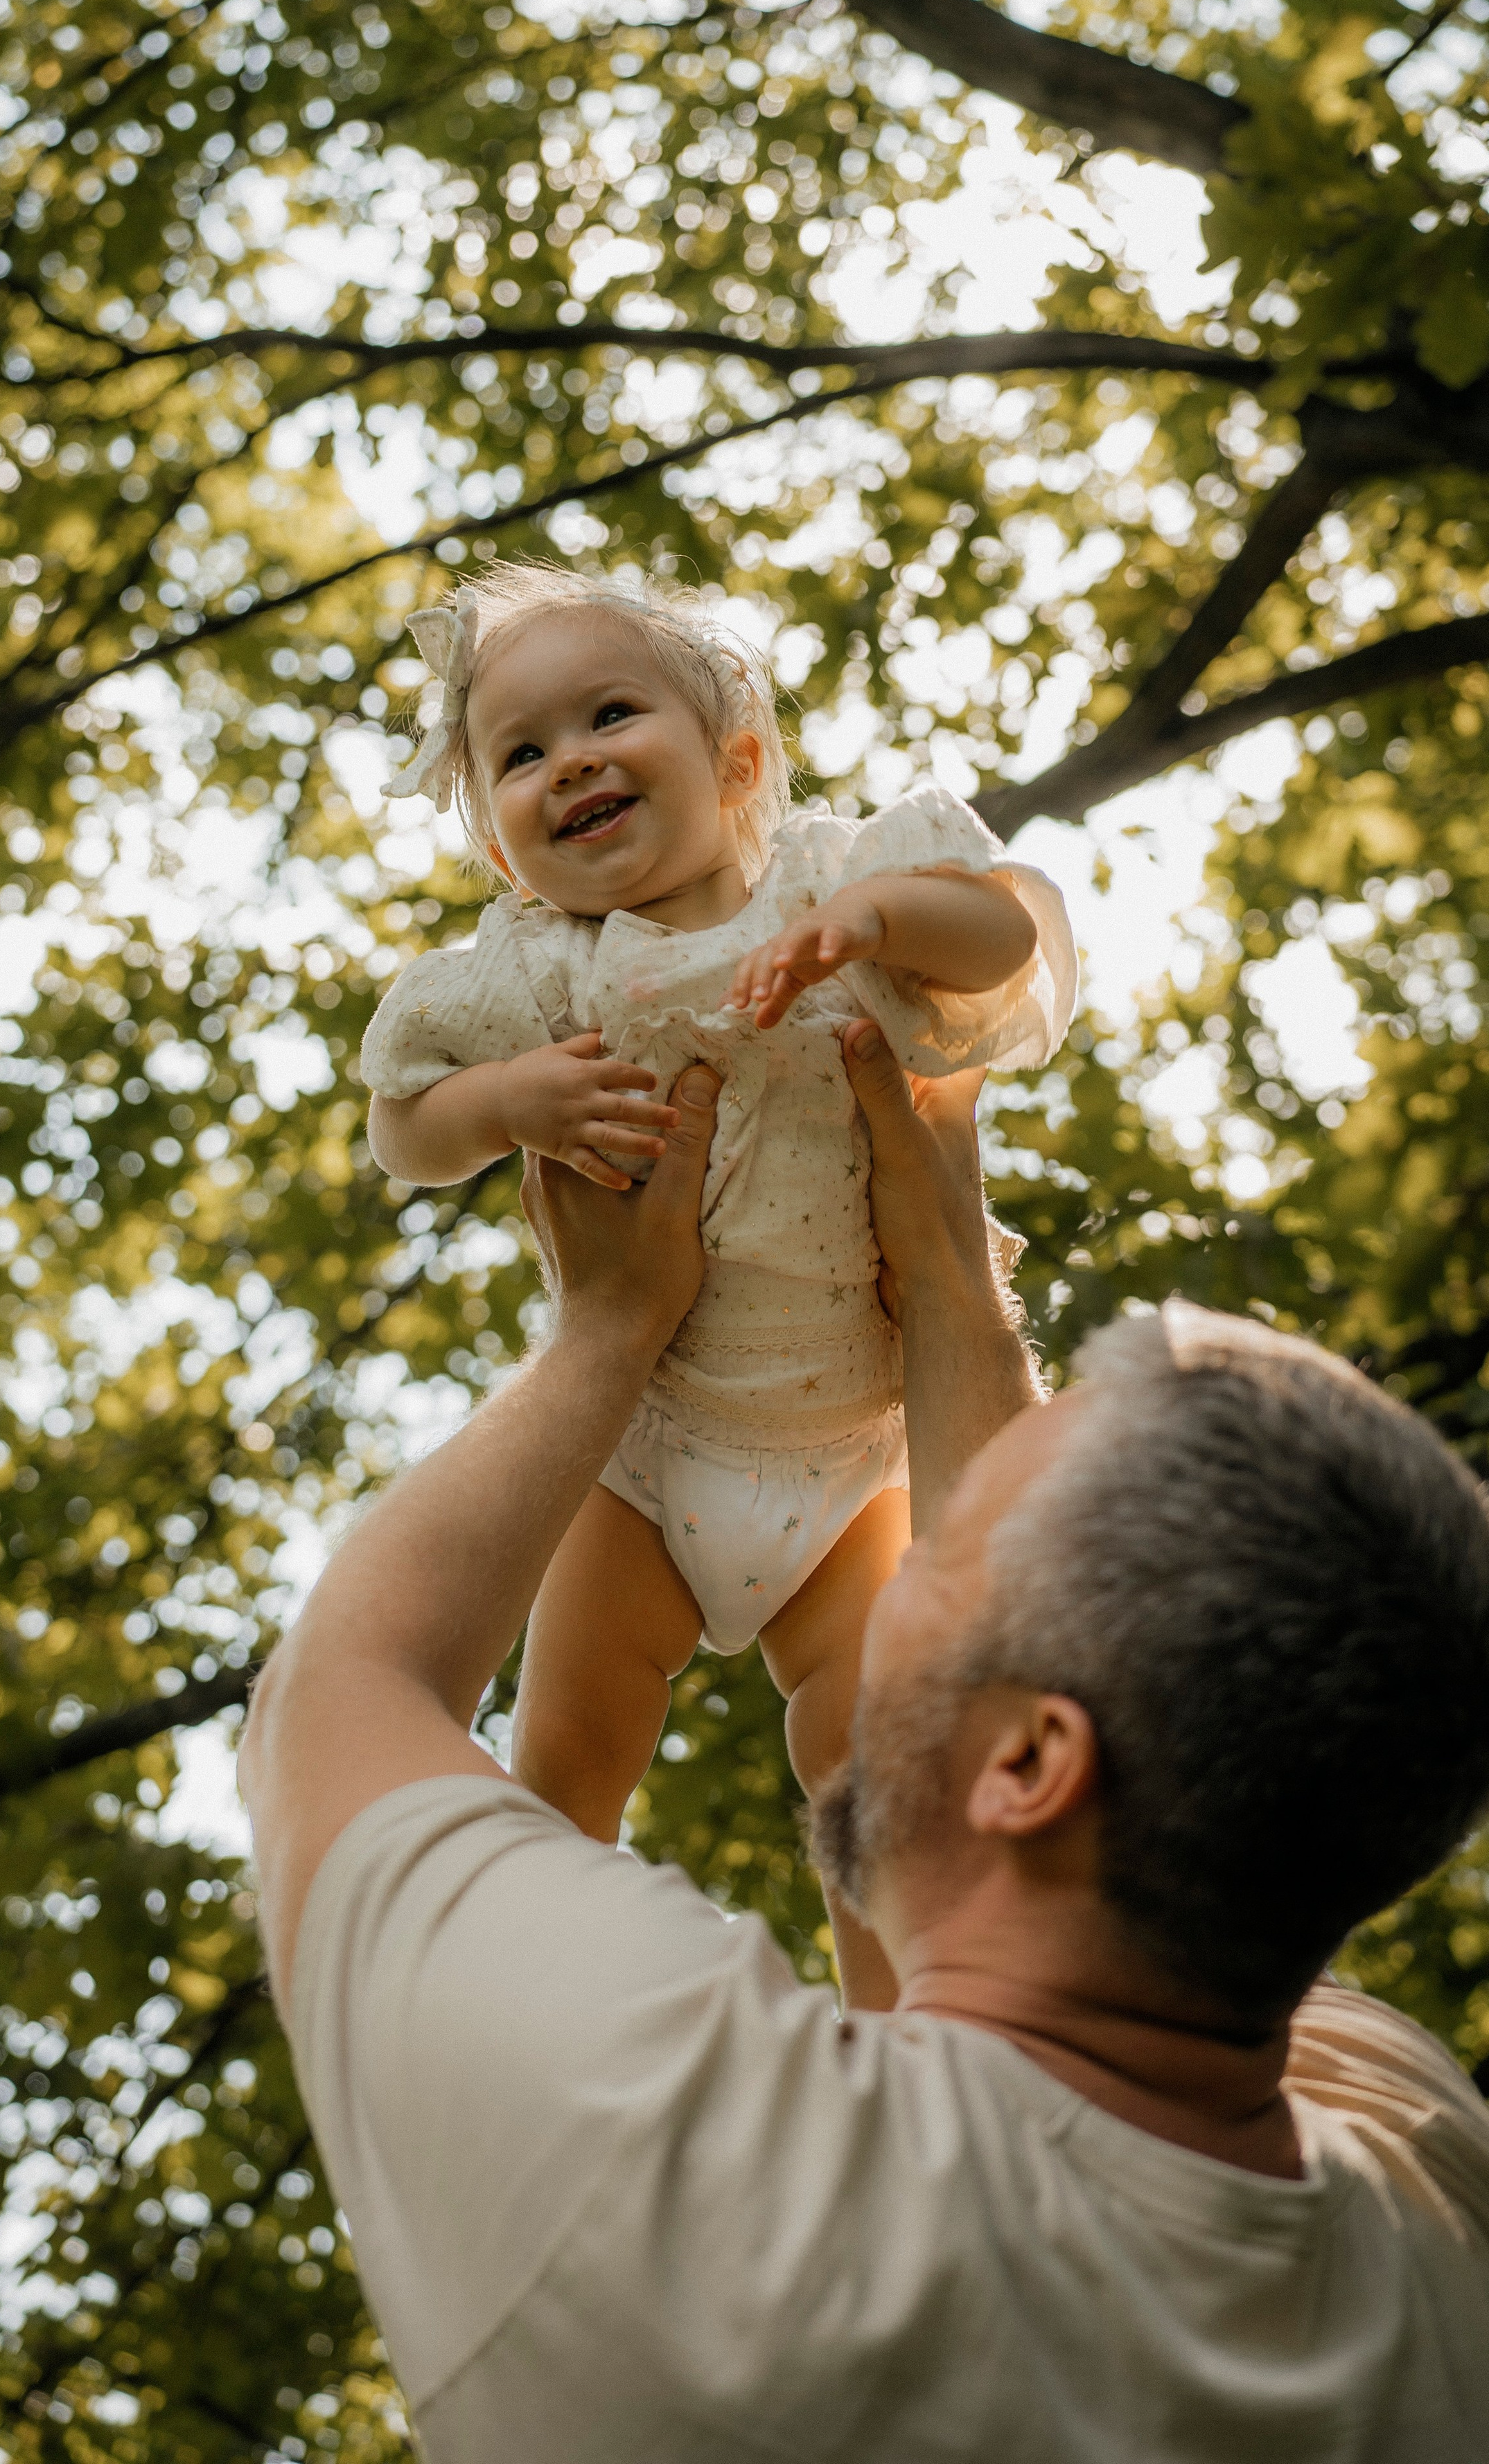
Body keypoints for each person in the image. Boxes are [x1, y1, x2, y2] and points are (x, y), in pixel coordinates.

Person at [240, 1025, 1489, 2462]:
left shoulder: (689, 2179)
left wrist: (605, 1327)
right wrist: (952, 1283)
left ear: (1029, 1767)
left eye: (938, 1561)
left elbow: (342, 1687)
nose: (891, 1574)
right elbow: (1233, 1766)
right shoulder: (1425, 2200)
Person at [360, 559, 1075, 2001]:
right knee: (566, 1739)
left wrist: (878, 924)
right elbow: (399, 1121)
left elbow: (1007, 939)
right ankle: (528, 2005)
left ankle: (896, 2029)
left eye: (606, 715)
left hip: (847, 1453)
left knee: (874, 1754)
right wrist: (507, 1103)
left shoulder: (833, 879)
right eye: (520, 754)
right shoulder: (538, 977)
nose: (569, 762)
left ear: (734, 756)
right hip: (643, 1443)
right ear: (505, 853)